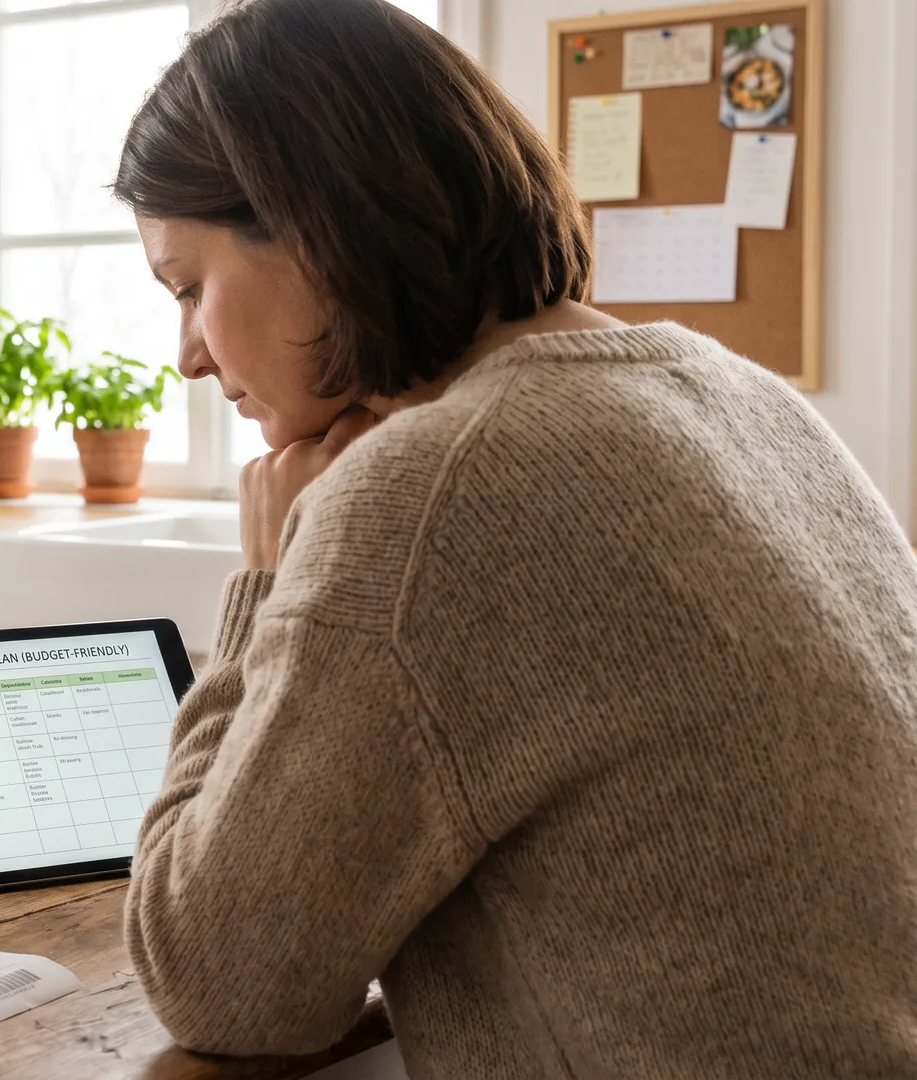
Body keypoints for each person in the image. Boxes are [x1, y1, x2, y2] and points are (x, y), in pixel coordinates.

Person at [112, 0, 917, 1075]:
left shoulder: (433, 491)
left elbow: (217, 983)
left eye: (189, 287)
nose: (188, 359)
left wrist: (266, 584)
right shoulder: (748, 400)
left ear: (312, 225)